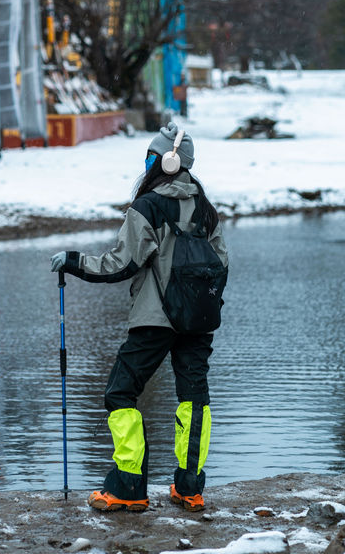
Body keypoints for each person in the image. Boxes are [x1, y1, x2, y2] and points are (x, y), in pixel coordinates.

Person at [51, 121, 228, 513]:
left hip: (154, 319)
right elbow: (222, 264)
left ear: (167, 162)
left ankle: (129, 488)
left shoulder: (147, 206)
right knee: (194, 397)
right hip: (199, 321)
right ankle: (189, 488)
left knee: (120, 393)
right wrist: (203, 303)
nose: (145, 164)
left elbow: (120, 264)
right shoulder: (205, 208)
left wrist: (74, 262)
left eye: (151, 156)